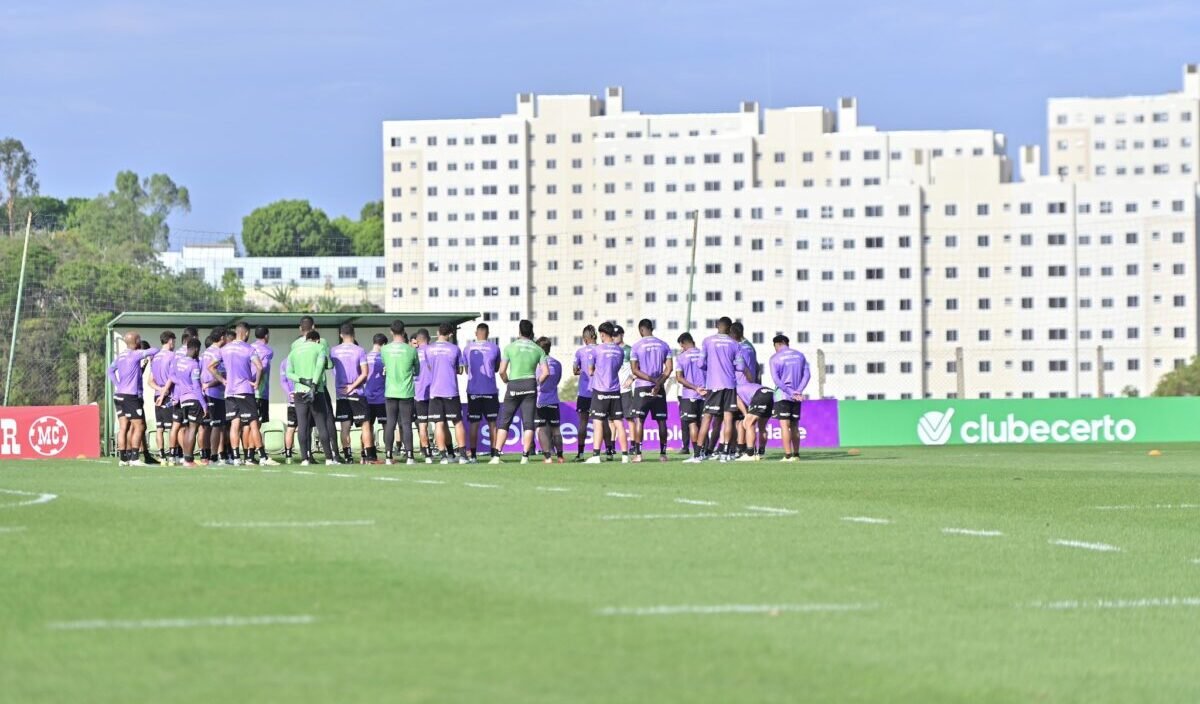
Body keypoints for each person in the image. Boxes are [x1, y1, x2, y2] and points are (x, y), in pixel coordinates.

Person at [490, 319, 545, 464]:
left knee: (504, 422)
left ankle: (496, 456)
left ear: (519, 331)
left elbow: (501, 371)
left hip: (514, 385)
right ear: (531, 332)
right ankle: (525, 457)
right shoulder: (538, 349)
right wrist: (536, 381)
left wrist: (506, 381)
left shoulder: (510, 347)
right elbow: (546, 372)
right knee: (528, 423)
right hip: (530, 385)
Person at [218, 322, 267, 465]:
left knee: (234, 425)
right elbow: (259, 366)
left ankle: (236, 458)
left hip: (230, 392)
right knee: (253, 424)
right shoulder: (249, 348)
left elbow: (211, 366)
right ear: (245, 333)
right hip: (245, 390)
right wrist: (257, 382)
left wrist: (222, 380)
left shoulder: (224, 349)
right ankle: (263, 456)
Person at [106, 331, 158, 466]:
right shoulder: (135, 354)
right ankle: (135, 458)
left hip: (119, 395)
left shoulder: (120, 356)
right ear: (136, 342)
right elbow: (155, 350)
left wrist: (118, 385)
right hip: (131, 396)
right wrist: (145, 352)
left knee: (123, 427)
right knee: (139, 426)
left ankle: (123, 459)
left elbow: (110, 371)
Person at [292, 316, 340, 458]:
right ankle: (334, 454)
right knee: (327, 420)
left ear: (300, 329)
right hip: (318, 387)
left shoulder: (295, 345)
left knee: (304, 422)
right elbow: (328, 364)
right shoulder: (321, 342)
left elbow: (292, 368)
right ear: (314, 327)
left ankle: (307, 455)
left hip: (300, 387)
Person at [694, 317, 739, 462]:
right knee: (728, 419)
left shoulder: (707, 341)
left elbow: (700, 364)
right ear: (730, 328)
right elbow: (741, 367)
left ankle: (697, 454)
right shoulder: (735, 344)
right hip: (730, 385)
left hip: (713, 385)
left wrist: (712, 367)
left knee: (706, 418)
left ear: (716, 326)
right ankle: (725, 453)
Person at [584, 322, 630, 463]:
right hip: (615, 390)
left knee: (598, 423)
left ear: (603, 334)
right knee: (619, 423)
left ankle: (596, 455)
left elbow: (590, 371)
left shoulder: (597, 350)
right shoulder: (620, 350)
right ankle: (625, 456)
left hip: (600, 391)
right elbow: (617, 367)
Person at [629, 319, 673, 463]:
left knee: (639, 421)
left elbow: (634, 369)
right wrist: (658, 382)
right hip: (658, 388)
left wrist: (652, 380)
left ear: (641, 330)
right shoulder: (664, 345)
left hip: (642, 386)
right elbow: (669, 369)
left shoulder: (636, 346)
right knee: (661, 421)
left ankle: (639, 454)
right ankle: (663, 454)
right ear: (651, 329)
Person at [425, 322, 467, 464]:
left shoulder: (428, 349)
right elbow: (460, 370)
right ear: (450, 334)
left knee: (439, 424)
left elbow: (430, 367)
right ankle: (462, 456)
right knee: (457, 422)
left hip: (435, 391)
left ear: (438, 333)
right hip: (451, 391)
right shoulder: (455, 349)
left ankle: (443, 456)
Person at [332, 324, 374, 464]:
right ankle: (368, 456)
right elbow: (365, 373)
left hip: (341, 394)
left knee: (345, 427)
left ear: (340, 335)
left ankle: (348, 457)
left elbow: (334, 371)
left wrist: (345, 387)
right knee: (365, 425)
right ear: (354, 334)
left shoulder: (334, 351)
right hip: (357, 393)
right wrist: (353, 386)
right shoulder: (360, 350)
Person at [381, 320, 419, 465]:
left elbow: (386, 365)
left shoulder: (384, 350)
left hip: (390, 391)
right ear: (404, 331)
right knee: (406, 423)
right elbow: (418, 370)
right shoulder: (411, 350)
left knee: (390, 423)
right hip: (406, 392)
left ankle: (388, 456)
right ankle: (410, 456)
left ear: (391, 332)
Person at [463, 323, 501, 463]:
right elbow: (496, 368)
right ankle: (494, 456)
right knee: (492, 424)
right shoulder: (495, 348)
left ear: (476, 333)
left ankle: (473, 456)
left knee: (474, 423)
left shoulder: (467, 348)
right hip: (490, 391)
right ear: (488, 333)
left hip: (473, 391)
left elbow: (467, 370)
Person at [769, 335, 811, 463]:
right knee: (794, 426)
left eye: (775, 346)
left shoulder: (775, 358)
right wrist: (798, 391)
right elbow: (807, 375)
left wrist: (791, 392)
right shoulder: (800, 355)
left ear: (779, 344)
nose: (775, 349)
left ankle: (787, 455)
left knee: (784, 426)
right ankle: (796, 454)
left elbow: (776, 380)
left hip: (783, 395)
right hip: (796, 397)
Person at [170, 337, 207, 467]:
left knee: (186, 429)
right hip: (194, 399)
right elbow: (197, 386)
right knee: (193, 429)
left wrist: (182, 384)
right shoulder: (194, 364)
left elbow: (172, 376)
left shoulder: (179, 362)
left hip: (183, 400)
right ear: (196, 349)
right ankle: (189, 460)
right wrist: (204, 405)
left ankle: (186, 458)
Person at [730, 321, 760, 457]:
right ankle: (744, 449)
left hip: (740, 387)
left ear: (734, 334)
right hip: (751, 388)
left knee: (738, 420)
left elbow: (742, 367)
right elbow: (756, 367)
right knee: (744, 420)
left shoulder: (739, 348)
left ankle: (739, 449)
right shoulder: (751, 347)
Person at [675, 333, 707, 460]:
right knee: (704, 424)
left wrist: (694, 388)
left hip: (689, 395)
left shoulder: (681, 357)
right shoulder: (703, 355)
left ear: (683, 343)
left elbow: (679, 378)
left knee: (692, 424)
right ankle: (705, 452)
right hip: (705, 394)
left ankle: (696, 454)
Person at [147, 331, 177, 463]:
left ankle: (161, 455)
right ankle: (172, 455)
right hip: (169, 395)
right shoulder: (172, 355)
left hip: (157, 396)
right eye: (174, 341)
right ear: (170, 341)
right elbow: (172, 376)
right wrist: (165, 390)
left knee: (160, 427)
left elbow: (150, 381)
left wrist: (160, 390)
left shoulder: (155, 357)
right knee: (172, 427)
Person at [199, 329, 228, 464]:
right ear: (222, 338)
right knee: (217, 425)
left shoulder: (205, 352)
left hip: (205, 392)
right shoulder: (218, 353)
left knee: (206, 426)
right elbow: (220, 373)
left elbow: (199, 372)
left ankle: (205, 455)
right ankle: (214, 457)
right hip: (215, 392)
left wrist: (204, 386)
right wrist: (221, 381)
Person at [534, 337, 564, 463]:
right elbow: (557, 380)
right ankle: (561, 456)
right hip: (553, 400)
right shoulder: (557, 363)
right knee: (556, 429)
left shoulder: (538, 365)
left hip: (540, 400)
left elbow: (536, 381)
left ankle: (547, 457)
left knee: (540, 429)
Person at [571, 325, 597, 461]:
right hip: (599, 391)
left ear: (585, 339)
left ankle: (580, 454)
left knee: (583, 422)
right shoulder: (601, 349)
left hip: (584, 393)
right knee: (601, 422)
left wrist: (583, 371)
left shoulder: (580, 351)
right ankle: (607, 451)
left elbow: (574, 370)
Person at [734, 378, 774, 462]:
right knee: (762, 427)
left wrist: (745, 415)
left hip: (760, 394)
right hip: (771, 394)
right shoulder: (744, 386)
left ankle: (750, 454)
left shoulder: (733, 391)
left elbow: (739, 403)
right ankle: (760, 453)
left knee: (748, 423)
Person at [413, 328, 434, 463]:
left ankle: (427, 454)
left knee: (422, 425)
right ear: (428, 339)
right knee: (440, 423)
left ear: (417, 340)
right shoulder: (433, 351)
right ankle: (447, 452)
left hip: (418, 393)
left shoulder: (413, 353)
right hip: (435, 392)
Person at [366, 333, 388, 448]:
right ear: (383, 344)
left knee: (367, 427)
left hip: (367, 397)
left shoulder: (365, 357)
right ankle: (388, 453)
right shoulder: (384, 359)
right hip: (382, 398)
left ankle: (366, 453)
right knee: (386, 426)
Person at [252, 326, 274, 430]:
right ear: (266, 336)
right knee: (258, 423)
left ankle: (249, 446)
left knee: (249, 423)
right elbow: (262, 367)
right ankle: (257, 445)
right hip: (260, 392)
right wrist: (257, 382)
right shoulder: (267, 350)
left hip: (248, 390)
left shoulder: (249, 347)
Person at [279, 354, 297, 462]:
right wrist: (290, 393)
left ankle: (288, 456)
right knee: (303, 428)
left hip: (292, 401)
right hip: (300, 400)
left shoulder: (284, 361)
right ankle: (307, 455)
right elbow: (283, 380)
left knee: (291, 427)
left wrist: (289, 392)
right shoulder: (286, 361)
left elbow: (283, 381)